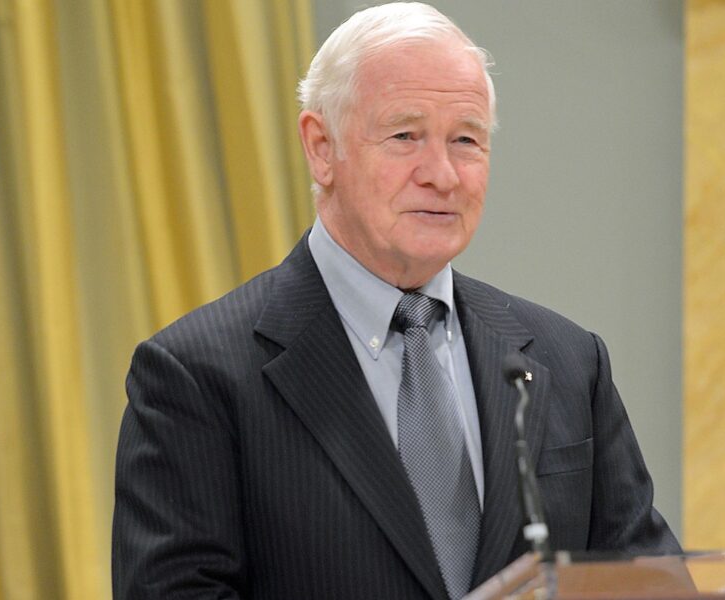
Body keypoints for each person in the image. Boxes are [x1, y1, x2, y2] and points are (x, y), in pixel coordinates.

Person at [112, 3, 680, 599]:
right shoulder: (196, 376)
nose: (442, 174)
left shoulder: (569, 361)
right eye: (405, 135)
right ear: (321, 147)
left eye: (466, 139)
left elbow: (648, 582)